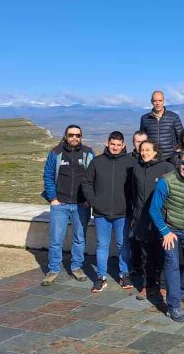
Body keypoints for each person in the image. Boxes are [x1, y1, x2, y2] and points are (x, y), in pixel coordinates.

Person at [149, 150, 184, 322]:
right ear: (180, 162)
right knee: (172, 264)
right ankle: (173, 306)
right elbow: (154, 209)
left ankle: (180, 291)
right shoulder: (166, 182)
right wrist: (165, 232)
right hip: (169, 229)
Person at [82, 131, 135, 292]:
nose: (115, 147)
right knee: (102, 245)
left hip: (123, 213)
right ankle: (101, 277)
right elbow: (87, 183)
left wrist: (132, 207)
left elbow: (136, 186)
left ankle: (124, 274)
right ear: (107, 143)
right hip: (101, 213)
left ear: (123, 146)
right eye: (113, 144)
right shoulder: (97, 162)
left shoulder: (131, 162)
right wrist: (94, 202)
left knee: (123, 245)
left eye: (119, 145)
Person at [41, 125, 94, 286]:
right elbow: (48, 176)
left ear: (81, 137)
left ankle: (77, 267)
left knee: (80, 238)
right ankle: (53, 269)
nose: (74, 138)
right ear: (65, 136)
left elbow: (93, 177)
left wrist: (88, 199)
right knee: (56, 239)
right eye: (71, 135)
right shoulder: (56, 152)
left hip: (81, 204)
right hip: (60, 203)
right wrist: (53, 198)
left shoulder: (87, 153)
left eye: (78, 135)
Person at [129, 141, 172, 298]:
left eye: (148, 150)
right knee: (146, 255)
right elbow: (134, 194)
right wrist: (135, 215)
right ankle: (148, 285)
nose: (144, 153)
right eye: (142, 150)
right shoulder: (137, 168)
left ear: (155, 152)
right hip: (142, 217)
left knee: (162, 253)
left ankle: (163, 284)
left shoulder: (167, 168)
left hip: (161, 218)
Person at [139, 90, 183, 164]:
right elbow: (143, 139)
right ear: (151, 101)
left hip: (170, 158)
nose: (158, 103)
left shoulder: (173, 117)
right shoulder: (145, 118)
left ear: (164, 101)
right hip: (152, 157)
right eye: (155, 101)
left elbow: (181, 136)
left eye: (160, 100)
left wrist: (179, 153)